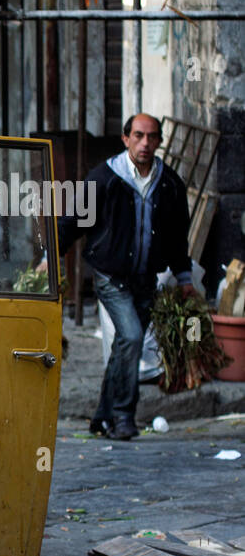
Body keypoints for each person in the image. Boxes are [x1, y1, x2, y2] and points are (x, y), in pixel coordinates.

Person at [58, 113, 196, 441]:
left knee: (124, 348)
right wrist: (52, 257)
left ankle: (101, 417)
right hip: (110, 276)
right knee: (132, 337)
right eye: (138, 136)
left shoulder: (169, 184)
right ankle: (123, 416)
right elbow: (72, 220)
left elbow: (178, 237)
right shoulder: (104, 178)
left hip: (145, 278)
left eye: (151, 137)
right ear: (125, 139)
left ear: (160, 141)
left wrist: (185, 278)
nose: (145, 143)